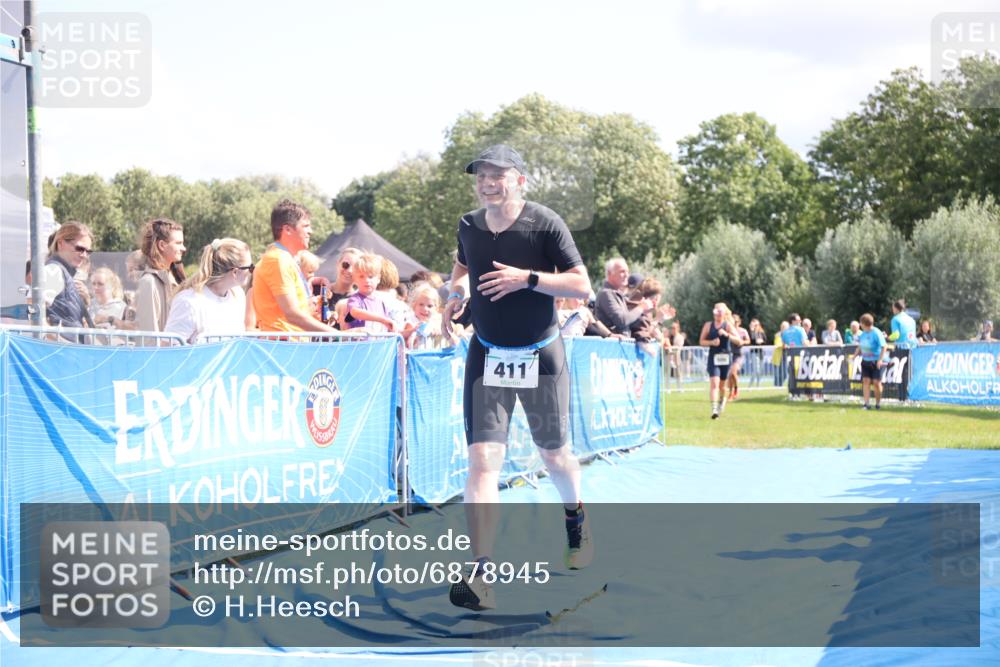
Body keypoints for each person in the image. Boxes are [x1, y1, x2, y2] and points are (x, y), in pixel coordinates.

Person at [440, 144, 593, 611]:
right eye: (480, 175)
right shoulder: (469, 224)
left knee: (555, 456)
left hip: (540, 353)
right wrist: (456, 293)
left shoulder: (544, 223)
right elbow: (463, 266)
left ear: (520, 180)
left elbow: (582, 286)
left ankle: (575, 518)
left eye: (497, 174)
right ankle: (482, 572)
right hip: (486, 353)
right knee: (483, 461)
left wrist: (527, 279)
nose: (487, 182)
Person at [252, 199, 338, 334]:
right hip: (284, 347)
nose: (310, 231)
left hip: (292, 345)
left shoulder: (285, 259)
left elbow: (293, 312)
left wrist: (318, 312)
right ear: (287, 229)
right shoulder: (278, 259)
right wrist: (339, 335)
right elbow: (291, 315)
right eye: (306, 226)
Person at [164, 238, 252, 344]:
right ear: (235, 272)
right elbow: (168, 348)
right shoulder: (188, 301)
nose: (252, 271)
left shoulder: (237, 295)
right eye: (250, 267)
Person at [134, 218, 186, 333]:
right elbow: (148, 336)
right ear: (162, 245)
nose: (184, 248)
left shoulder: (176, 278)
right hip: (161, 351)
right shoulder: (149, 282)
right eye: (178, 243)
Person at [41, 221, 94, 329]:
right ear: (60, 243)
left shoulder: (63, 273)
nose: (84, 255)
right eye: (79, 248)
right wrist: (54, 338)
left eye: (88, 251)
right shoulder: (54, 270)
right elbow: (33, 309)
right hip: (58, 345)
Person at [699, 302, 742, 419]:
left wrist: (727, 335)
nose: (717, 316)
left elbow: (739, 341)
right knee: (714, 383)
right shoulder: (708, 325)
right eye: (715, 313)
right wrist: (711, 342)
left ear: (723, 314)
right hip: (713, 357)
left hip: (725, 358)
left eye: (719, 313)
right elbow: (701, 341)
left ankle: (722, 400)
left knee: (722, 386)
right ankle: (714, 410)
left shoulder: (727, 325)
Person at [595, 257, 659, 335]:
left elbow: (629, 322)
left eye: (627, 272)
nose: (626, 275)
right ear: (609, 273)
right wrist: (641, 307)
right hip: (612, 345)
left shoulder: (616, 294)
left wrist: (645, 312)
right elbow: (622, 321)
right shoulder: (606, 294)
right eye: (622, 271)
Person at [343, 253, 396, 332]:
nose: (367, 280)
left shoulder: (382, 303)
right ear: (354, 279)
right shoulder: (355, 299)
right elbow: (354, 312)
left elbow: (388, 327)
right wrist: (381, 319)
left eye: (370, 277)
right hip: (360, 343)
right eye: (361, 276)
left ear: (378, 279)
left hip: (379, 343)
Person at [857, 313, 888, 410]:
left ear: (864, 323)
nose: (860, 325)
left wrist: (880, 360)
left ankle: (878, 403)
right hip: (865, 361)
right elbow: (860, 346)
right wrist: (854, 356)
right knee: (866, 381)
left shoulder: (876, 333)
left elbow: (884, 346)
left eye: (861, 323)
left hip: (876, 361)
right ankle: (866, 404)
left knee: (876, 382)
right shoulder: (862, 334)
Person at [724, 313, 751, 400]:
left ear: (739, 322)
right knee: (730, 375)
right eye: (733, 322)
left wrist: (743, 342)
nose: (734, 323)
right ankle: (731, 392)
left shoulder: (743, 331)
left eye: (736, 322)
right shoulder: (728, 331)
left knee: (733, 371)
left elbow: (748, 341)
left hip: (738, 354)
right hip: (729, 354)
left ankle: (735, 390)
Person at [747, 318, 767, 387]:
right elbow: (752, 340)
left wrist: (761, 341)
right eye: (754, 325)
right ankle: (750, 385)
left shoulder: (761, 332)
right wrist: (752, 330)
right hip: (754, 352)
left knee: (761, 370)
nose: (756, 326)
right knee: (756, 370)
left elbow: (765, 340)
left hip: (761, 352)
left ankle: (758, 385)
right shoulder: (750, 332)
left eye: (757, 325)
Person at [773, 321, 789, 386]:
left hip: (785, 356)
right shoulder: (778, 335)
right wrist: (784, 345)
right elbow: (778, 344)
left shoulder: (789, 335)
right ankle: (777, 386)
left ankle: (779, 385)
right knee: (777, 374)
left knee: (785, 374)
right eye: (783, 327)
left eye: (785, 327)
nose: (784, 328)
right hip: (778, 356)